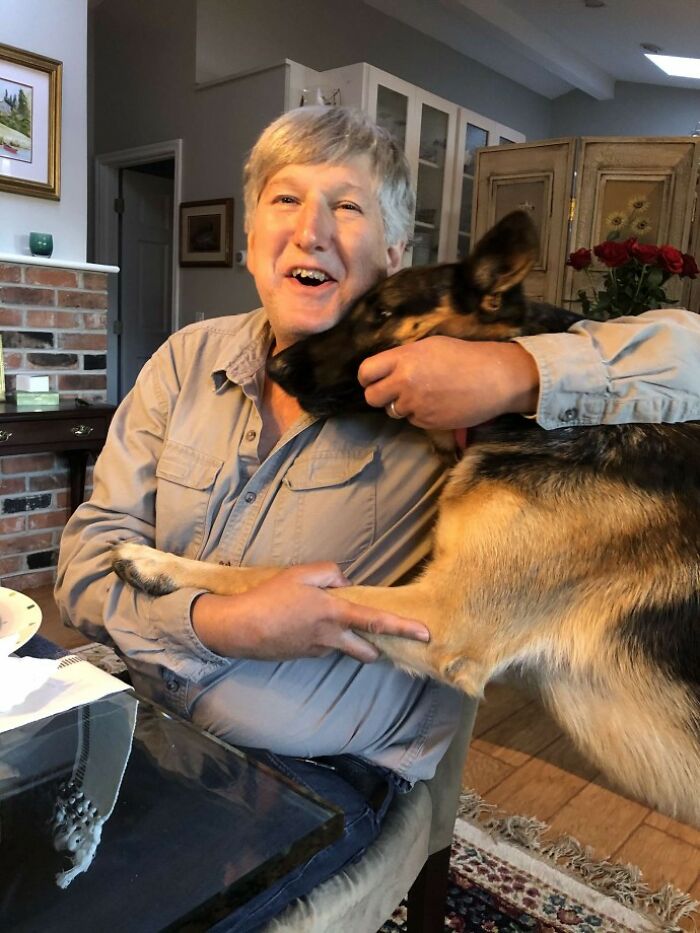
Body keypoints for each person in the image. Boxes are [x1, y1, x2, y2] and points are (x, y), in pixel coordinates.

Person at [55, 105, 700, 929]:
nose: (311, 229)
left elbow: (689, 358)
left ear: (394, 253)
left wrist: (511, 374)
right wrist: (221, 619)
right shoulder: (183, 361)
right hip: (139, 717)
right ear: (250, 238)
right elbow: (87, 561)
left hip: (315, 772)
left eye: (348, 205)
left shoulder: (441, 401)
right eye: (285, 200)